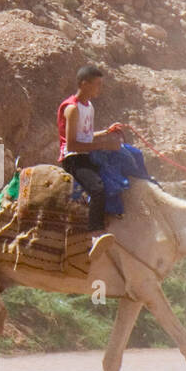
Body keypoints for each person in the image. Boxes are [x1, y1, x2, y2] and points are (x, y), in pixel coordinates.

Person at [57, 64, 126, 258]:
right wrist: (104, 144)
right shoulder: (72, 109)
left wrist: (105, 133)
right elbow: (71, 145)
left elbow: (86, 136)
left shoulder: (89, 106)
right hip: (74, 159)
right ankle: (95, 233)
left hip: (87, 154)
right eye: (97, 84)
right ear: (84, 84)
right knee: (97, 188)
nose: (99, 89)